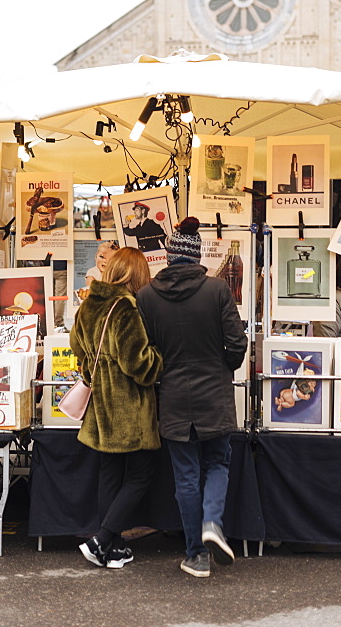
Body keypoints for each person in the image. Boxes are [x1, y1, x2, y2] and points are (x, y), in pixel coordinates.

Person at [136, 217, 247, 578]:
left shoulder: (146, 297)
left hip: (171, 397)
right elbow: (238, 343)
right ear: (197, 255)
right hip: (214, 392)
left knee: (185, 475)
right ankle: (212, 522)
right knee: (218, 463)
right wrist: (222, 365)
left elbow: (147, 351)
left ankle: (195, 555)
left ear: (168, 257)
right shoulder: (217, 290)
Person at [69, 246, 163, 569]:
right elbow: (138, 363)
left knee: (110, 475)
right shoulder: (126, 308)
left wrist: (91, 370)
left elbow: (77, 348)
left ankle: (115, 548)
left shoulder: (89, 305)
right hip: (129, 410)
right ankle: (101, 539)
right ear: (136, 275)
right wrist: (160, 361)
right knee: (140, 474)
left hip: (101, 409)